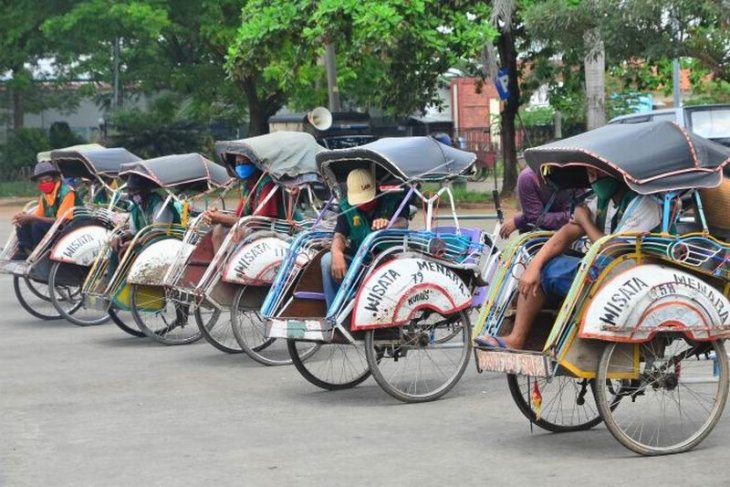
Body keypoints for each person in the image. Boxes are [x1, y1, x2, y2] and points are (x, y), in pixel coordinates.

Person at [476, 167, 662, 350]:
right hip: (608, 268)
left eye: (599, 173)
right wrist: (535, 265)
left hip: (633, 274)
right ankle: (517, 338)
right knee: (539, 268)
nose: (595, 179)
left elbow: (613, 251)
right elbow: (565, 235)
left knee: (548, 272)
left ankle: (523, 338)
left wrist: (586, 222)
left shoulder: (644, 205)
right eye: (590, 174)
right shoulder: (601, 201)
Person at [321, 167, 409, 308]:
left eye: (367, 198)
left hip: (388, 264)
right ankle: (335, 313)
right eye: (359, 200)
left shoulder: (394, 201)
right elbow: (340, 234)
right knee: (327, 261)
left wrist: (389, 225)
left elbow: (403, 222)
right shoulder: (346, 207)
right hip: (360, 261)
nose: (363, 203)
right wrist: (336, 251)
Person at [202, 155, 282, 252]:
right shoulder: (247, 186)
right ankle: (220, 266)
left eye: (245, 163)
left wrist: (221, 218)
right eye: (238, 164)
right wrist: (217, 217)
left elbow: (257, 222)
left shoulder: (267, 184)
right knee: (218, 230)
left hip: (274, 229)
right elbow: (239, 215)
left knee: (239, 232)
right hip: (253, 226)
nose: (241, 166)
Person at [12, 161, 80, 260]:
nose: (44, 183)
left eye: (47, 180)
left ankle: (38, 253)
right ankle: (25, 250)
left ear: (55, 179)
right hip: (55, 226)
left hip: (71, 226)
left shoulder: (67, 192)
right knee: (23, 222)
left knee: (36, 223)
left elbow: (62, 220)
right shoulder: (45, 195)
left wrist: (32, 217)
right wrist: (24, 217)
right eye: (41, 181)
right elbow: (38, 214)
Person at [499, 166, 575, 238]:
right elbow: (536, 218)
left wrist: (520, 220)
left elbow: (580, 214)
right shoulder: (528, 177)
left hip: (571, 232)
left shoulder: (577, 173)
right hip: (539, 235)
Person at [111, 174, 177, 254]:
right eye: (129, 190)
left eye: (135, 190)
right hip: (147, 246)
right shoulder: (135, 209)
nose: (131, 194)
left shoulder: (160, 205)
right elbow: (133, 232)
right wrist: (122, 238)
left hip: (167, 246)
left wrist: (132, 243)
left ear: (146, 190)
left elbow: (157, 234)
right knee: (116, 250)